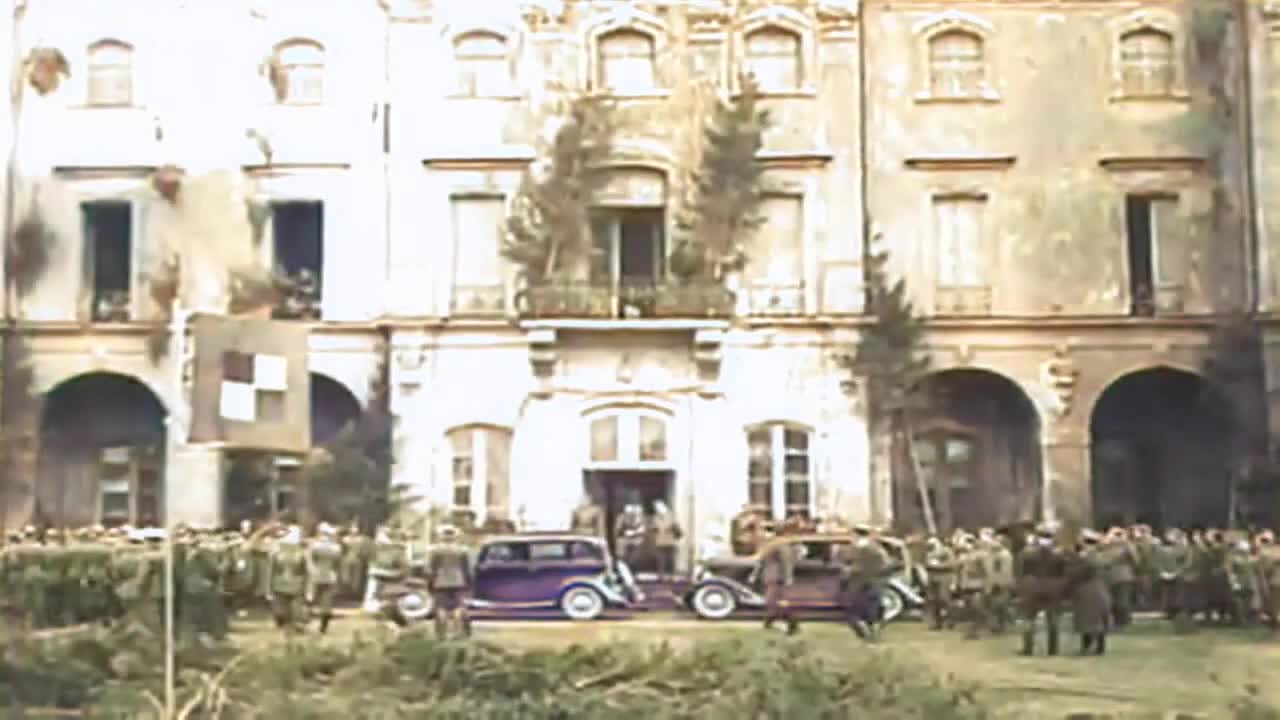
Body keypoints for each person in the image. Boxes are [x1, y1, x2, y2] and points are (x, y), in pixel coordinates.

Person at [1016, 523, 1069, 656]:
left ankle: (1028, 648)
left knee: (1029, 618)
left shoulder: (1028, 553)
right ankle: (1053, 649)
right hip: (1052, 587)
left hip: (1033, 586)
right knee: (1052, 619)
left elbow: (1021, 571)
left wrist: (1024, 585)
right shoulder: (1059, 553)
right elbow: (1063, 572)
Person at [841, 524, 892, 641]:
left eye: (853, 534)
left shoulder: (856, 549)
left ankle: (867, 634)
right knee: (871, 610)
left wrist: (850, 572)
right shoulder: (877, 549)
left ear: (857, 534)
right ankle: (872, 634)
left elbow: (852, 566)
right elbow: (886, 565)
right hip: (874, 582)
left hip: (861, 583)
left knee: (854, 610)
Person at [426, 524, 473, 639]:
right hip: (458, 581)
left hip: (440, 582)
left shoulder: (435, 550)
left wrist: (430, 583)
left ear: (442, 536)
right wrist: (469, 584)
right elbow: (467, 569)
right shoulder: (462, 550)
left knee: (441, 608)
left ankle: (441, 634)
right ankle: (458, 632)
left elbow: (431, 569)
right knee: (457, 607)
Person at [1071, 529, 1113, 655]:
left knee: (1088, 619)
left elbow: (1080, 572)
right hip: (1099, 587)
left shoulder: (1087, 556)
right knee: (1098, 618)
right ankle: (1099, 646)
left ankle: (1088, 646)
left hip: (1087, 589)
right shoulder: (1100, 555)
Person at [751, 531, 798, 635]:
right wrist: (788, 578)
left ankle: (785, 624)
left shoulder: (773, 544)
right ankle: (788, 624)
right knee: (778, 602)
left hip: (773, 577)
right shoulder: (775, 544)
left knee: (773, 601)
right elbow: (784, 562)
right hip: (774, 577)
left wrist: (754, 575)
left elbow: (785, 562)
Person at [266, 525, 310, 634]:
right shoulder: (277, 551)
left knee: (296, 612)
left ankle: (296, 629)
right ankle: (284, 626)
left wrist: (308, 589)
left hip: (297, 585)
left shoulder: (302, 552)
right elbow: (271, 571)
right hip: (280, 585)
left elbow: (307, 572)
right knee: (280, 612)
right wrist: (268, 589)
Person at [307, 523, 343, 634]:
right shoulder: (336, 547)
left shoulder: (314, 545)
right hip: (330, 575)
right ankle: (323, 626)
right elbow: (338, 564)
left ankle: (307, 622)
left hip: (316, 574)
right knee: (326, 602)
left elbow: (310, 560)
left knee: (311, 599)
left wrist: (311, 570)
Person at [650, 501, 682, 578]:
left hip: (670, 542)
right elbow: (653, 528)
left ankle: (672, 575)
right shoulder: (655, 518)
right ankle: (661, 575)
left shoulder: (671, 516)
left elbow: (677, 527)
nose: (658, 511)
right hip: (660, 542)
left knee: (671, 560)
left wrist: (671, 529)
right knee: (661, 560)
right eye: (656, 509)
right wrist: (654, 529)